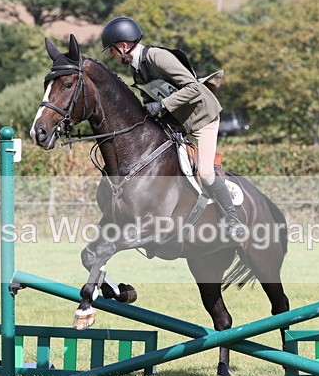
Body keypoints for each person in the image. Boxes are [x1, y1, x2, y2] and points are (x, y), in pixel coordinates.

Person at [101, 16, 246, 241]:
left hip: (202, 117)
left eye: (111, 49)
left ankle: (233, 221)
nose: (111, 54)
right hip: (178, 120)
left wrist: (162, 105)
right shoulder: (136, 69)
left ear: (123, 46)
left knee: (206, 173)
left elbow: (195, 88)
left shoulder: (158, 57)